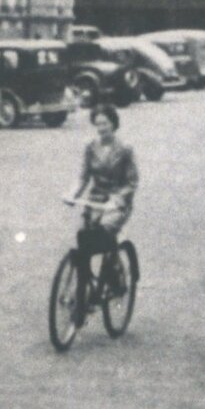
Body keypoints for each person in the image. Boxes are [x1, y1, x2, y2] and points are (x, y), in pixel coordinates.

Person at [63, 104, 139, 292]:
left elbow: (132, 182)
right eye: (97, 124)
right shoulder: (90, 146)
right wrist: (72, 194)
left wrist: (118, 200)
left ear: (113, 124)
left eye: (104, 124)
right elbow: (83, 176)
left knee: (104, 231)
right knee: (83, 238)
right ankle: (83, 288)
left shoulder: (125, 149)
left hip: (117, 203)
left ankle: (114, 270)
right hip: (95, 201)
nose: (101, 128)